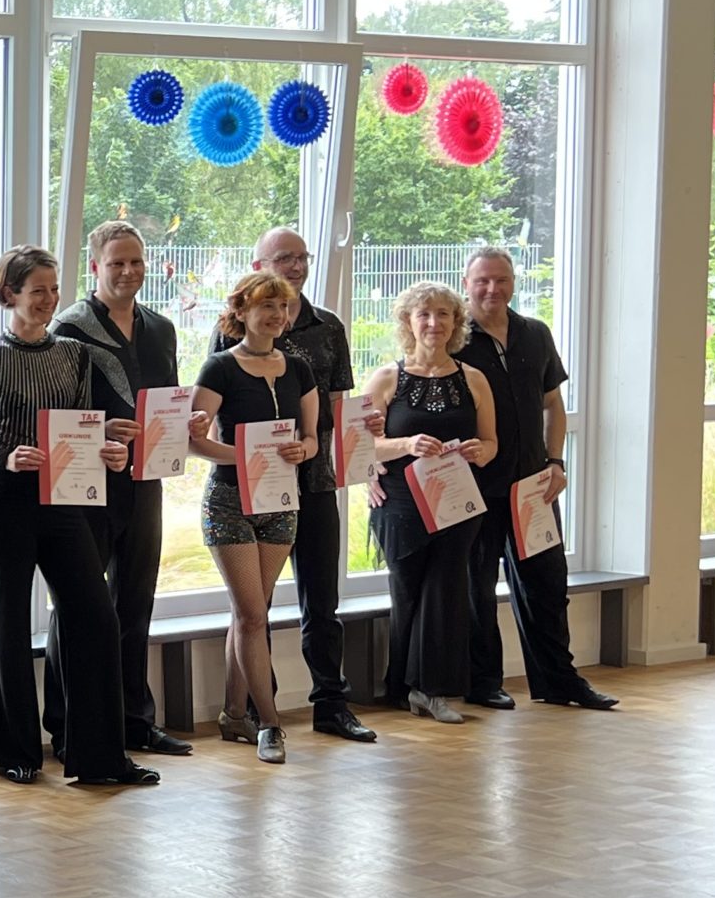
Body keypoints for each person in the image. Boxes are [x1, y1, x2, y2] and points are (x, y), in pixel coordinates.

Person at [0, 247, 151, 788]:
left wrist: (107, 446)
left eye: (53, 289)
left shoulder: (74, 355)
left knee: (95, 616)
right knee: (7, 624)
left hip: (64, 496)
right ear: (9, 295)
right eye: (37, 290)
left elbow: (82, 426)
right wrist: (4, 456)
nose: (49, 299)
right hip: (5, 500)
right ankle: (15, 753)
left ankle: (100, 757)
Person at [211, 228, 378, 743]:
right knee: (254, 607)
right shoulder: (230, 336)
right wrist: (245, 457)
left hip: (316, 480)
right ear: (258, 265)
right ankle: (258, 711)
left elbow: (339, 407)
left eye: (303, 257)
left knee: (321, 598)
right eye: (285, 258)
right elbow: (217, 418)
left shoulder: (328, 328)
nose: (297, 266)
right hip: (251, 485)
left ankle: (331, 703)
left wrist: (364, 441)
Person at [50, 222, 192, 761]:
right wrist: (100, 432)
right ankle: (70, 726)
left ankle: (135, 721)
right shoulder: (69, 328)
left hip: (145, 481)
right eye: (117, 263)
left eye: (136, 262)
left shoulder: (161, 329)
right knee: (78, 605)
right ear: (95, 267)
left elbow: (167, 400)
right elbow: (55, 414)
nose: (129, 271)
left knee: (135, 602)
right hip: (85, 484)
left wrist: (187, 424)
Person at [458, 248, 618, 712]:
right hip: (477, 485)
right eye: (483, 280)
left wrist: (556, 462)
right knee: (477, 587)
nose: (493, 289)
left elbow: (553, 405)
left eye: (502, 280)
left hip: (533, 485)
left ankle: (559, 681)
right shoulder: (455, 338)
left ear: (513, 282)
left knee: (548, 584)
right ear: (466, 284)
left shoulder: (535, 333)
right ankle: (483, 682)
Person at [190, 271, 321, 766]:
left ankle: (232, 714)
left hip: (281, 501)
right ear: (241, 312)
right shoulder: (220, 367)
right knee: (251, 616)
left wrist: (302, 449)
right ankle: (270, 723)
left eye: (282, 307)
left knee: (250, 613)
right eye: (266, 306)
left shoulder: (299, 368)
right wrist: (246, 456)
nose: (276, 315)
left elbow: (312, 439)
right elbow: (194, 441)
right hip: (230, 502)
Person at [361, 281, 499, 726]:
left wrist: (480, 451)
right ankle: (403, 687)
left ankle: (431, 689)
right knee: (407, 592)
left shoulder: (474, 379)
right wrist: (406, 444)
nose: (434, 323)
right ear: (408, 321)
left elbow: (492, 443)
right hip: (400, 502)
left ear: (457, 323)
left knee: (446, 590)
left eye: (443, 314)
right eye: (424, 314)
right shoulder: (387, 377)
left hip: (456, 501)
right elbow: (360, 446)